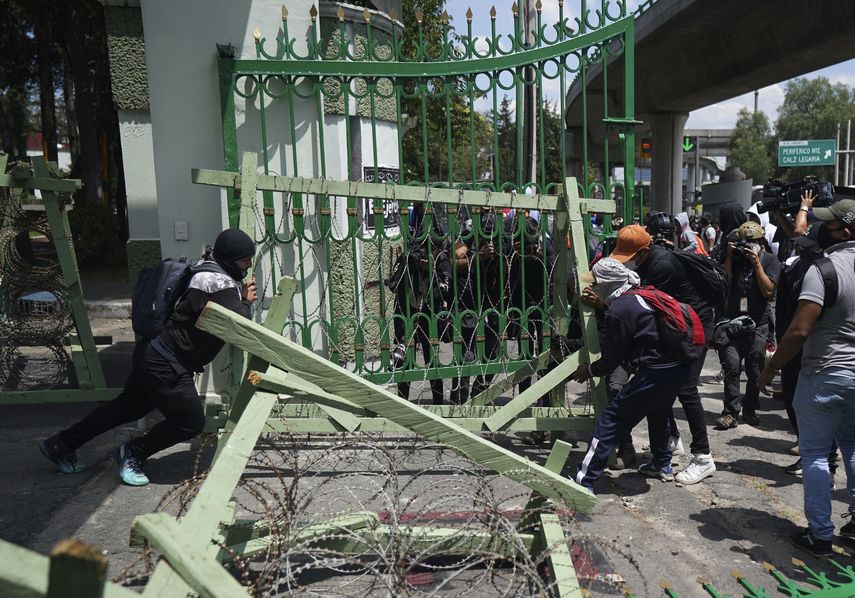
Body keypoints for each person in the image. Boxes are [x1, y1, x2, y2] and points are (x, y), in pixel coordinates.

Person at [39, 228, 258, 486]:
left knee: (126, 408)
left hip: (152, 353)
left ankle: (62, 444)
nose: (248, 265)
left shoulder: (207, 269)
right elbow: (239, 323)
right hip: (167, 363)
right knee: (190, 422)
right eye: (245, 260)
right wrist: (246, 300)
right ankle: (133, 452)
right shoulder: (219, 283)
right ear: (231, 259)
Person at [758, 199, 855, 557]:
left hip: (825, 372)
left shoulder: (824, 269)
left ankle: (820, 534)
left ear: (843, 232)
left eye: (827, 225)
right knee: (854, 447)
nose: (820, 230)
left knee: (815, 454)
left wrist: (771, 368)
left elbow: (799, 330)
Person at [604, 225, 717, 484]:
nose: (627, 262)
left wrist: (606, 301)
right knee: (664, 386)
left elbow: (645, 303)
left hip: (693, 326)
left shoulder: (660, 266)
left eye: (629, 256)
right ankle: (668, 446)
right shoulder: (646, 261)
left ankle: (703, 456)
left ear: (644, 252)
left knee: (686, 389)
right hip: (676, 323)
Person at [572, 258, 690, 491]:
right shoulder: (642, 294)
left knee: (610, 420)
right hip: (680, 365)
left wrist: (589, 370)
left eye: (596, 283)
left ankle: (583, 481)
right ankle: (662, 463)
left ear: (607, 284)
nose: (593, 288)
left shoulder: (619, 308)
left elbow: (611, 359)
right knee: (659, 410)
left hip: (656, 370)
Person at [773, 223, 837, 477]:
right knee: (794, 401)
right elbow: (783, 308)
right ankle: (814, 455)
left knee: (818, 412)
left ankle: (826, 463)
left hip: (816, 350)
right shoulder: (793, 266)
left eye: (808, 244)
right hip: (794, 347)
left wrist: (771, 365)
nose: (802, 248)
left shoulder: (827, 269)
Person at [714, 221, 780, 429]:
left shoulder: (769, 260)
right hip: (733, 320)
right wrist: (729, 257)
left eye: (752, 243)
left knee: (755, 369)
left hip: (758, 322)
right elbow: (725, 283)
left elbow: (769, 291)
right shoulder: (734, 259)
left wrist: (757, 264)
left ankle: (750, 408)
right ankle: (731, 412)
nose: (748, 247)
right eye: (744, 242)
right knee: (732, 366)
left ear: (761, 242)